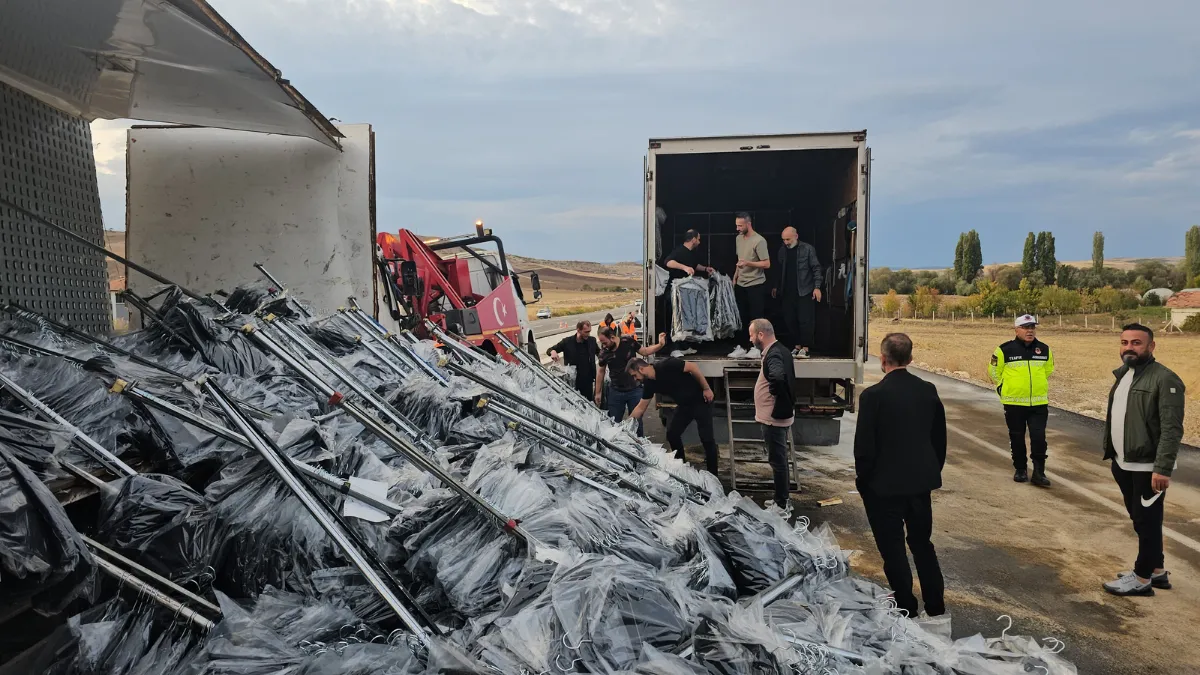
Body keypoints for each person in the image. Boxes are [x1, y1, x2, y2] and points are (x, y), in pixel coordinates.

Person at [854, 333, 947, 619]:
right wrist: (930, 472)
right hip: (920, 486)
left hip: (883, 489)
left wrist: (864, 482)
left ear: (882, 359)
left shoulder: (873, 397)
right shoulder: (928, 390)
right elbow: (939, 440)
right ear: (910, 359)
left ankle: (906, 605)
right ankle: (936, 607)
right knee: (922, 545)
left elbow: (864, 449)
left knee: (893, 550)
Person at [1102, 324, 1186, 597]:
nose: (1129, 347)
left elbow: (1172, 429)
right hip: (1124, 461)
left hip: (1147, 466)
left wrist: (1162, 468)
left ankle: (1141, 577)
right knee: (1141, 519)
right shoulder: (1126, 374)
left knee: (1146, 521)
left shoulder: (1165, 379)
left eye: (1136, 343)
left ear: (1151, 346)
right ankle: (1157, 570)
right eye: (1124, 342)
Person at [989, 314, 1054, 487]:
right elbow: (995, 372)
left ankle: (1039, 472)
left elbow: (1048, 370)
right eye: (1026, 327)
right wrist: (1004, 388)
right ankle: (1020, 469)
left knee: (1039, 438)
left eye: (1032, 327)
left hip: (1038, 403)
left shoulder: (1044, 349)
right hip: (1014, 403)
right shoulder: (1004, 350)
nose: (1030, 331)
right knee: (1016, 437)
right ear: (1016, 329)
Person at [628, 356, 719, 475]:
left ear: (641, 369)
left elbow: (693, 367)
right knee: (672, 434)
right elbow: (640, 408)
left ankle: (713, 476)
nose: (635, 379)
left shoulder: (667, 365)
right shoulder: (649, 384)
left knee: (707, 439)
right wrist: (625, 426)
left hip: (700, 401)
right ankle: (681, 467)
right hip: (684, 406)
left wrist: (706, 388)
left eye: (635, 375)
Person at [748, 319, 795, 509]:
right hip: (775, 416)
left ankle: (781, 504)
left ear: (761, 334)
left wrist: (774, 395)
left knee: (778, 461)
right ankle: (781, 499)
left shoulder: (774, 354)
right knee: (779, 459)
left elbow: (777, 376)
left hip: (773, 419)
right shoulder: (781, 349)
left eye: (751, 334)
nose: (750, 339)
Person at [596, 326, 667, 435]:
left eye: (604, 342)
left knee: (636, 423)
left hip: (635, 390)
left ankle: (638, 447)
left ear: (612, 337)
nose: (603, 346)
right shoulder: (604, 353)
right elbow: (600, 372)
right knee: (614, 424)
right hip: (616, 392)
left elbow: (644, 351)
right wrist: (598, 392)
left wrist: (660, 345)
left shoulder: (628, 342)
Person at [770, 226, 823, 359]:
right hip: (787, 291)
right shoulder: (782, 250)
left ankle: (806, 348)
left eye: (788, 239)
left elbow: (816, 268)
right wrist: (776, 286)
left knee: (805, 320)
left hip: (805, 290)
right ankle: (797, 346)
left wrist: (817, 287)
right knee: (790, 319)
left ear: (796, 236)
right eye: (784, 240)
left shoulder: (808, 249)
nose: (786, 242)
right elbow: (779, 269)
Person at [734, 213, 770, 347]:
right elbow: (739, 260)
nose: (737, 228)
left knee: (756, 319)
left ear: (748, 224)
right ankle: (741, 347)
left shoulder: (759, 241)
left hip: (756, 284)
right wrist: (735, 277)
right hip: (740, 284)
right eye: (736, 225)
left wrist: (748, 263)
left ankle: (756, 347)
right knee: (740, 317)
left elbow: (766, 264)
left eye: (740, 225)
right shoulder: (738, 239)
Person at [547, 320, 599, 401]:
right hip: (572, 382)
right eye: (586, 332)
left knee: (588, 404)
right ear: (578, 330)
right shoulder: (567, 342)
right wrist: (553, 352)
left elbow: (600, 354)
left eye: (589, 331)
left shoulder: (592, 341)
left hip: (588, 381)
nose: (588, 334)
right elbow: (550, 350)